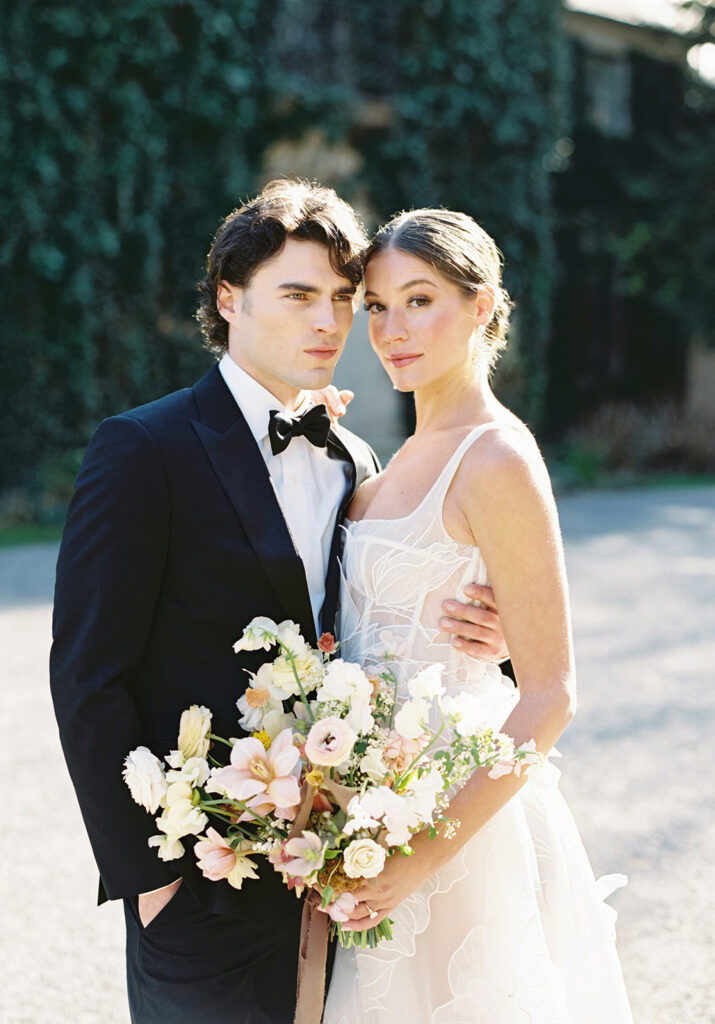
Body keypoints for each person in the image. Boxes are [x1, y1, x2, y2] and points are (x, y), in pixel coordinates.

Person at [49, 180, 508, 1024]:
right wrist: (151, 882)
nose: (328, 322)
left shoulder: (355, 459)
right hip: (201, 880)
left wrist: (492, 635)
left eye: (341, 298)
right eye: (297, 296)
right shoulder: (143, 448)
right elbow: (86, 678)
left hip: (341, 869)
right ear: (229, 299)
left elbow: (389, 622)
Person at [322, 209, 634, 1024]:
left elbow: (551, 695)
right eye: (377, 306)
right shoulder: (383, 464)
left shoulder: (494, 455)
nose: (391, 330)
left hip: (455, 826)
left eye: (418, 300)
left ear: (482, 305)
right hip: (370, 805)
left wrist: (419, 856)